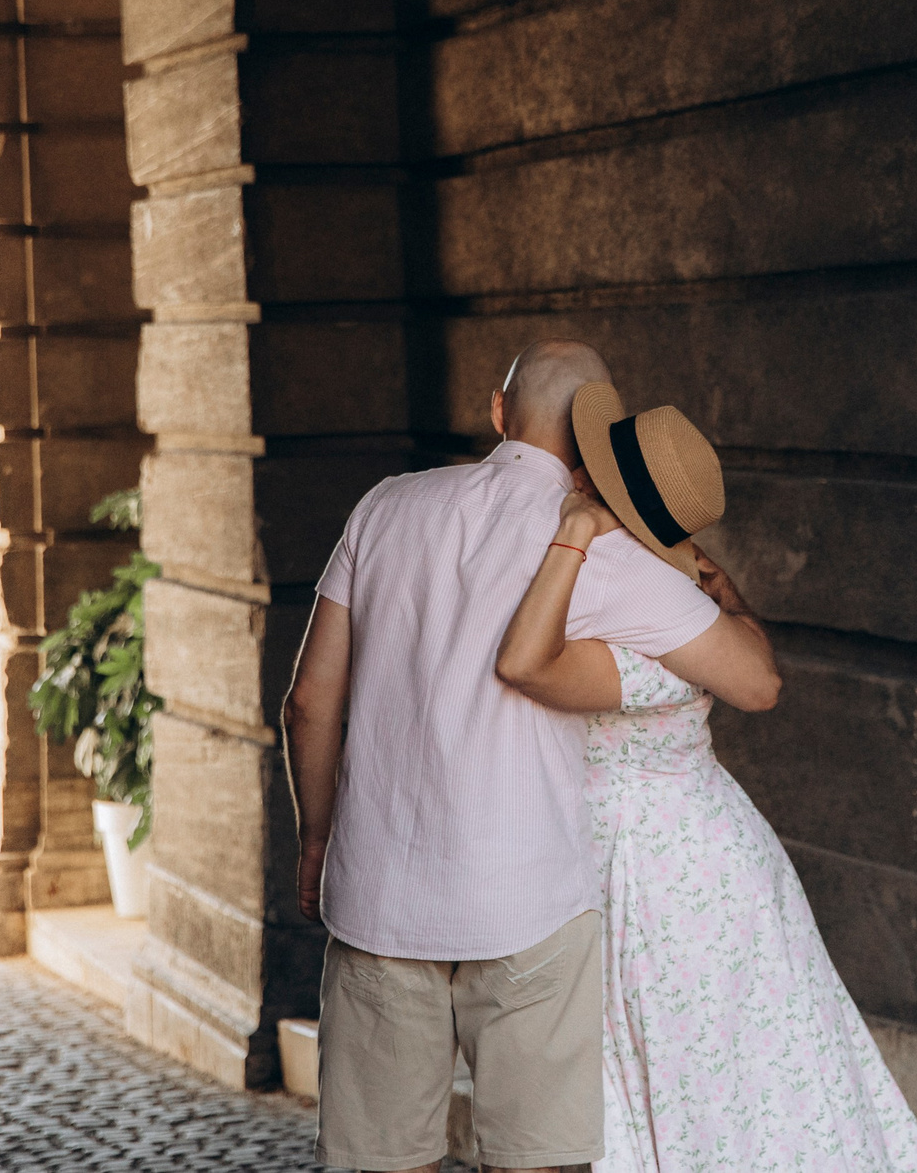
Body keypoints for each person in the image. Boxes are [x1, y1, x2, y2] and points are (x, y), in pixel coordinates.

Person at [281, 341, 783, 1173]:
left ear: (497, 411)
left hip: (378, 897)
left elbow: (308, 700)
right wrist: (724, 592)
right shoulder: (604, 552)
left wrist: (316, 839)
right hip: (529, 907)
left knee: (381, 1160)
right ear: (596, 440)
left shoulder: (384, 506)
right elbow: (757, 681)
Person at [493, 381, 917, 1173]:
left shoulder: (631, 614)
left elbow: (524, 664)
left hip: (666, 883)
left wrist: (578, 532)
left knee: (708, 1085)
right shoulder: (681, 603)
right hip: (705, 859)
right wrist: (724, 589)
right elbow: (756, 661)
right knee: (744, 1077)